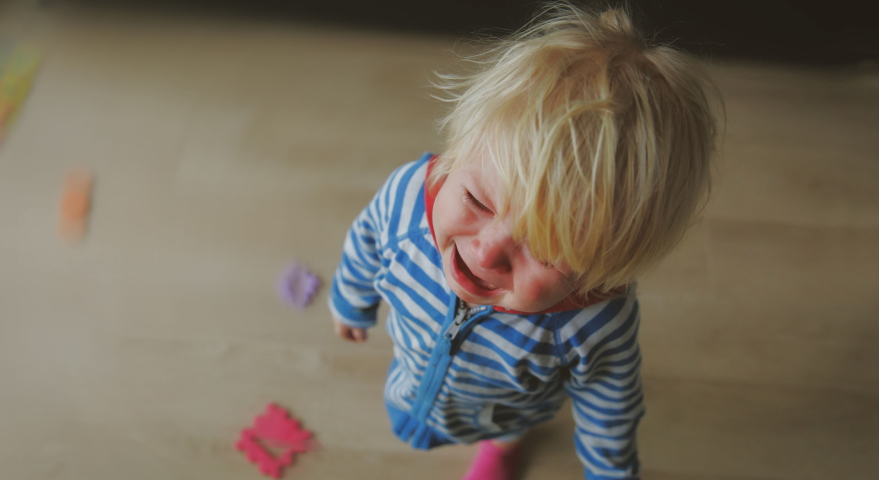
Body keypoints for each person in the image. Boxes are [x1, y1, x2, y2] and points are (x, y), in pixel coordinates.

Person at [328, 3, 720, 479]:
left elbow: (610, 404)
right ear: (458, 151)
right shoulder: (409, 198)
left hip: (506, 409)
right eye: (476, 199)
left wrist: (611, 472)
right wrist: (351, 299)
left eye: (546, 250)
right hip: (412, 364)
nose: (487, 251)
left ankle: (504, 448)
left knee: (505, 426)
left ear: (602, 270)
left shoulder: (595, 323)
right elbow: (367, 236)